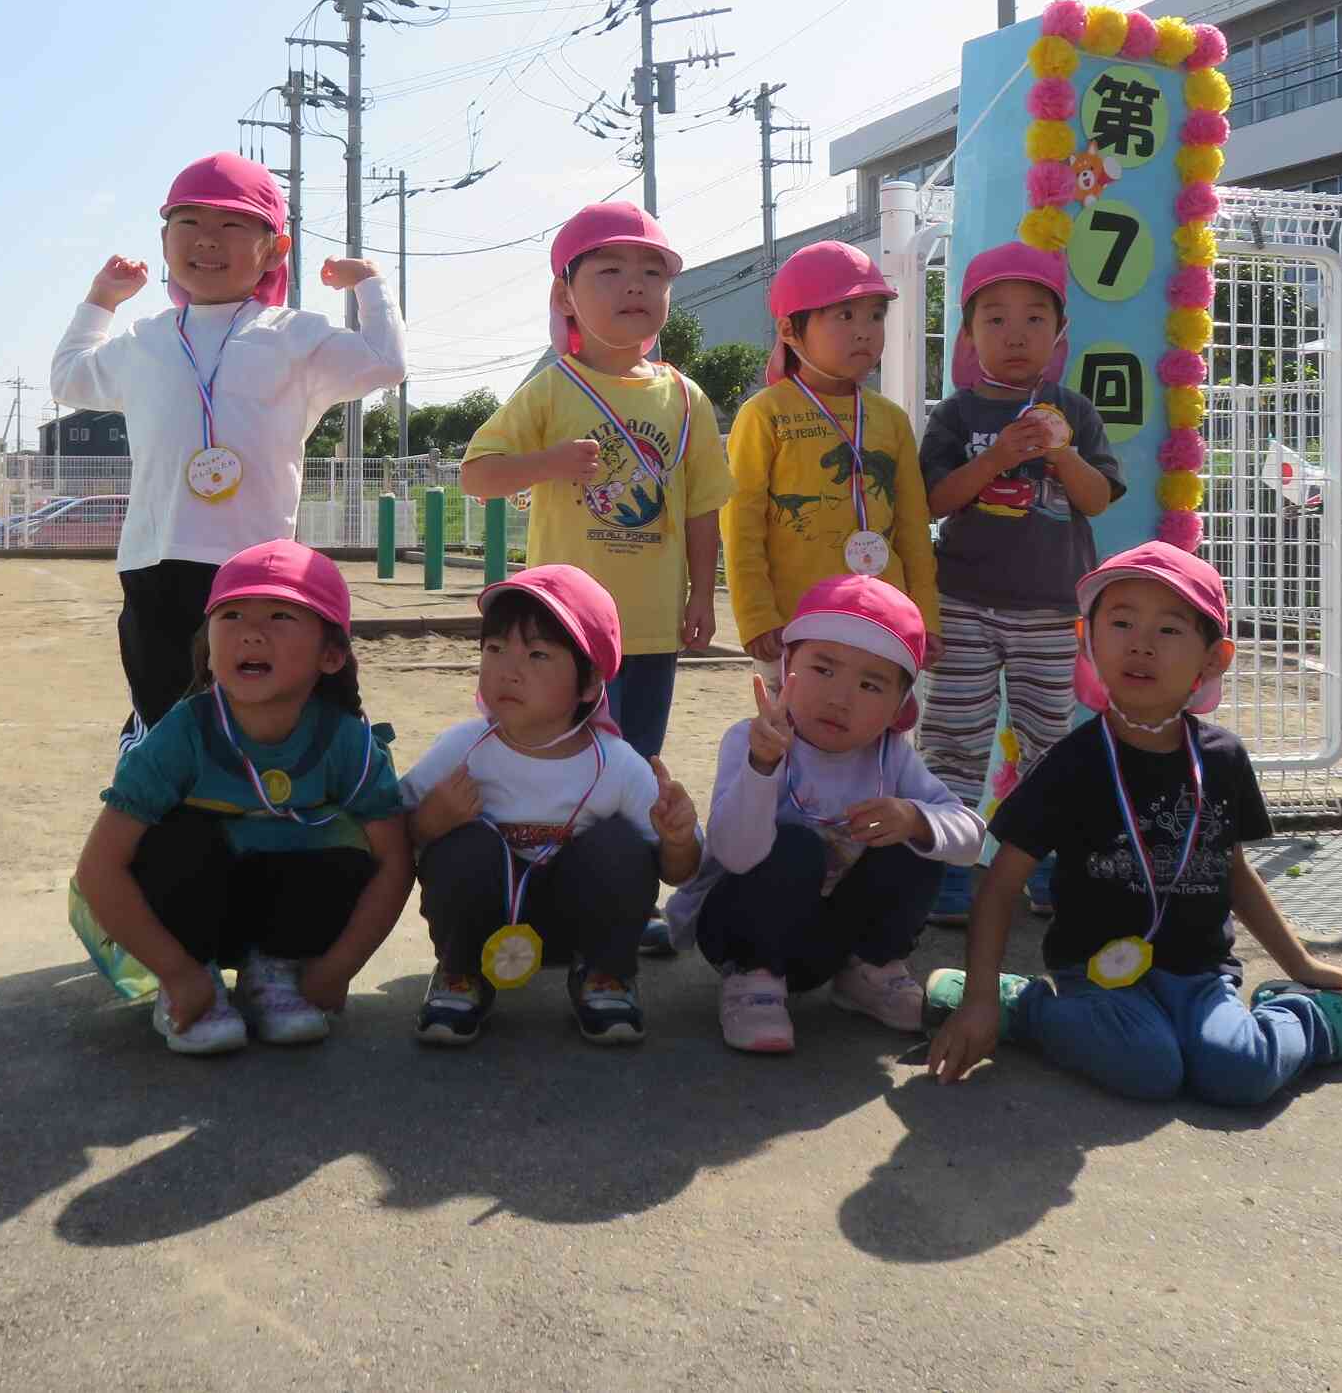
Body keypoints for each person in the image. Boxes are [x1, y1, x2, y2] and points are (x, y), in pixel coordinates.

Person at [924, 542, 1342, 1104]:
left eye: (1168, 630)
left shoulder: (1222, 759)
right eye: (1120, 622)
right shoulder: (1069, 765)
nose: (1139, 643)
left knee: (1241, 1073)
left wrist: (1301, 963)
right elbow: (999, 886)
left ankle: (1315, 1023)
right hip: (1095, 974)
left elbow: (1232, 872)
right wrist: (981, 1001)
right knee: (1148, 1069)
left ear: (1213, 660)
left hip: (1200, 972)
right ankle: (1025, 1007)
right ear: (1086, 640)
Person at [51, 154, 405, 734]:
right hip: (153, 563)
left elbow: (385, 363)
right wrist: (101, 301)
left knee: (283, 717)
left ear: (275, 248)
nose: (207, 240)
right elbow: (68, 379)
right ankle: (169, 814)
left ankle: (330, 806)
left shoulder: (294, 335)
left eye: (233, 225)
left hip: (260, 571)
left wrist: (370, 286)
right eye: (188, 224)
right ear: (165, 240)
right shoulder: (144, 340)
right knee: (168, 725)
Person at [72, 539, 413, 1056]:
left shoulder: (348, 741)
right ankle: (195, 985)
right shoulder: (180, 735)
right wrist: (179, 972)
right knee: (171, 842)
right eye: (230, 615)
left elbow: (395, 860)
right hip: (192, 922)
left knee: (349, 852)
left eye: (280, 616)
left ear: (331, 654)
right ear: (207, 646)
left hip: (281, 913)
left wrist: (337, 970)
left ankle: (274, 975)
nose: (251, 633)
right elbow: (99, 868)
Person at [666, 575, 982, 1053]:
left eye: (870, 684)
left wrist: (914, 819)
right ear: (788, 666)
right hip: (739, 929)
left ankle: (869, 972)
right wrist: (762, 768)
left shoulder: (890, 755)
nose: (840, 698)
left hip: (826, 944)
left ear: (899, 704)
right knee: (796, 847)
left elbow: (971, 838)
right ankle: (753, 986)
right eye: (823, 669)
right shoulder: (753, 741)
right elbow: (732, 853)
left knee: (919, 832)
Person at [460, 201, 728, 760]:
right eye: (610, 271)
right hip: (564, 628)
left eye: (653, 273)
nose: (635, 286)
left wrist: (702, 594)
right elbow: (476, 476)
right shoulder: (553, 389)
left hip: (653, 628)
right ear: (565, 296)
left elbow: (703, 507)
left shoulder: (687, 398)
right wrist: (546, 464)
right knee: (563, 754)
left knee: (638, 758)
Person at [398, 565, 700, 1047]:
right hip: (489, 924)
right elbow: (395, 831)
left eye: (537, 654)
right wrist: (429, 821)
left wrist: (678, 838)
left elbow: (679, 871)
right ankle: (462, 973)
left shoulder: (617, 765)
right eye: (494, 649)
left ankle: (604, 973)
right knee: (459, 846)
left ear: (587, 685)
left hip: (576, 926)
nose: (507, 670)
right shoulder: (463, 749)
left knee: (620, 846)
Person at [918, 242, 1123, 923]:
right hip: (964, 602)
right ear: (971, 335)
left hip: (1051, 605)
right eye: (995, 319)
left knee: (1048, 741)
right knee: (955, 736)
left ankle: (1043, 867)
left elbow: (1096, 499)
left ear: (1057, 335)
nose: (1015, 333)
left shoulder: (1075, 409)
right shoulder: (955, 415)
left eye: (1034, 319)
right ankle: (947, 869)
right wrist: (1000, 455)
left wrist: (1060, 452)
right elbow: (933, 501)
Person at [722, 240, 938, 684]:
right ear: (789, 331)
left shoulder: (891, 419)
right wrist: (756, 615)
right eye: (844, 315)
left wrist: (926, 615)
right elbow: (741, 524)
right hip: (793, 624)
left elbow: (915, 526)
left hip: (883, 617)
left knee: (880, 741)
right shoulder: (765, 414)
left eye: (875, 316)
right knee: (793, 743)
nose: (865, 331)